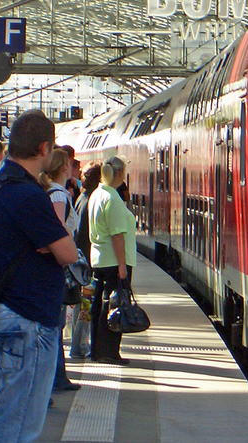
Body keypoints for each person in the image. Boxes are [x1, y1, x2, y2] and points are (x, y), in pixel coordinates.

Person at [0, 110, 78, 443]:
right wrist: (55, 244)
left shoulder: (2, 183)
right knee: (22, 422)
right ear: (44, 148)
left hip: (15, 313)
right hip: (29, 320)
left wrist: (50, 244)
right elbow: (68, 252)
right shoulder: (27, 195)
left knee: (15, 414)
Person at [39, 148, 82, 393]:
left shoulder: (56, 192)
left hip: (57, 263)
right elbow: (56, 229)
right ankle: (56, 377)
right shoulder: (58, 194)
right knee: (55, 324)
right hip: (58, 265)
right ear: (64, 167)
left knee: (56, 324)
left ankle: (57, 375)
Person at [88, 155, 137, 365]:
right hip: (113, 260)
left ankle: (97, 349)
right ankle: (108, 351)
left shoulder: (97, 194)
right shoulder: (113, 198)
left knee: (99, 304)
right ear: (119, 173)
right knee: (115, 306)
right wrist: (123, 266)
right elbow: (117, 235)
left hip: (99, 258)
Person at [70, 163, 101, 360]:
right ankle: (79, 346)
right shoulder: (89, 202)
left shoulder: (81, 199)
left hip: (81, 263)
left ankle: (78, 344)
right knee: (85, 308)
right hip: (86, 266)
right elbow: (83, 235)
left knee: (81, 307)